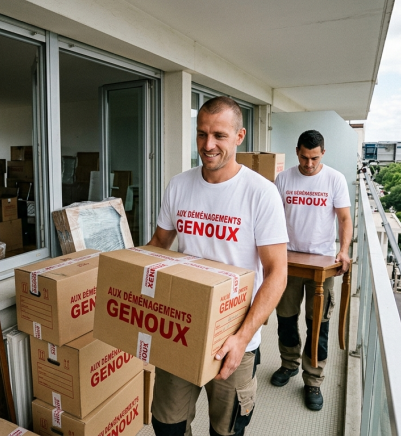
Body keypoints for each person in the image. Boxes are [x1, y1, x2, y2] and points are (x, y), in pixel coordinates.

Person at [148, 96, 289, 436]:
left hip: (233, 338)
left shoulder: (261, 193)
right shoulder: (179, 185)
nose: (208, 145)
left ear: (240, 136)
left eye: (219, 135)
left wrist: (242, 338)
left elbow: (277, 273)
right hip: (180, 328)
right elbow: (157, 247)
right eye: (202, 134)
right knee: (166, 425)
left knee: (226, 430)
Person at [271, 130, 352, 411]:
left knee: (318, 324)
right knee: (285, 318)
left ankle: (313, 378)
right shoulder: (283, 179)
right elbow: (272, 217)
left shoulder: (335, 179)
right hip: (289, 261)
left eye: (314, 158)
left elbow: (344, 219)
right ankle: (289, 363)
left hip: (322, 264)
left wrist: (344, 250)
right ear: (297, 151)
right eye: (304, 157)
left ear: (323, 154)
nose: (308, 164)